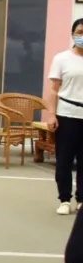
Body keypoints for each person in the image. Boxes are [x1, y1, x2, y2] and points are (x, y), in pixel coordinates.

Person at [44, 18, 83, 214]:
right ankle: (65, 199)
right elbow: (53, 89)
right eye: (80, 32)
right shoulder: (62, 59)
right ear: (73, 34)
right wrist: (51, 115)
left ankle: (81, 199)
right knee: (64, 160)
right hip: (67, 114)